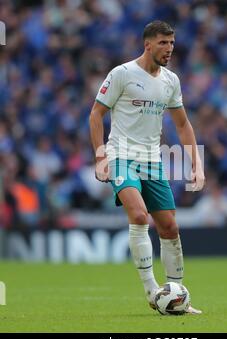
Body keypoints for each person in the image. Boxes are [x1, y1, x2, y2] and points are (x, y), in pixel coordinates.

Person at [89, 20, 205, 314]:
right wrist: (101, 156)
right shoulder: (122, 74)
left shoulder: (171, 80)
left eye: (172, 43)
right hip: (121, 155)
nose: (169, 49)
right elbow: (95, 115)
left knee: (169, 226)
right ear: (148, 44)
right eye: (163, 43)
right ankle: (152, 291)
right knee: (139, 215)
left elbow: (182, 124)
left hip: (153, 159)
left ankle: (177, 296)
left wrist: (196, 163)